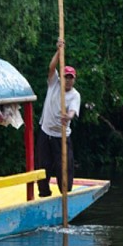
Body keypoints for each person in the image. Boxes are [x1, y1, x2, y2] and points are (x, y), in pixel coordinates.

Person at [37, 42, 81, 197]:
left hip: (61, 136)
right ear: (61, 77)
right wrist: (59, 51)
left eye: (71, 78)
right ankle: (44, 193)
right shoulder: (54, 83)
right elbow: (51, 67)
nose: (68, 81)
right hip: (46, 132)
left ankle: (65, 194)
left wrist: (67, 116)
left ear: (74, 80)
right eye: (66, 77)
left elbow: (73, 111)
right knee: (44, 166)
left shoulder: (75, 95)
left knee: (65, 167)